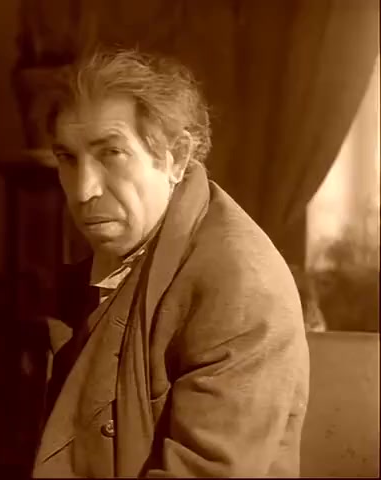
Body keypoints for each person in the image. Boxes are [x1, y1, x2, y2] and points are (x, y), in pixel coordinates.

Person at [32, 48, 309, 478]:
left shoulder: (241, 287)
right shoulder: (113, 255)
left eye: (111, 153)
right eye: (68, 158)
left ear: (176, 158)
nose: (84, 190)